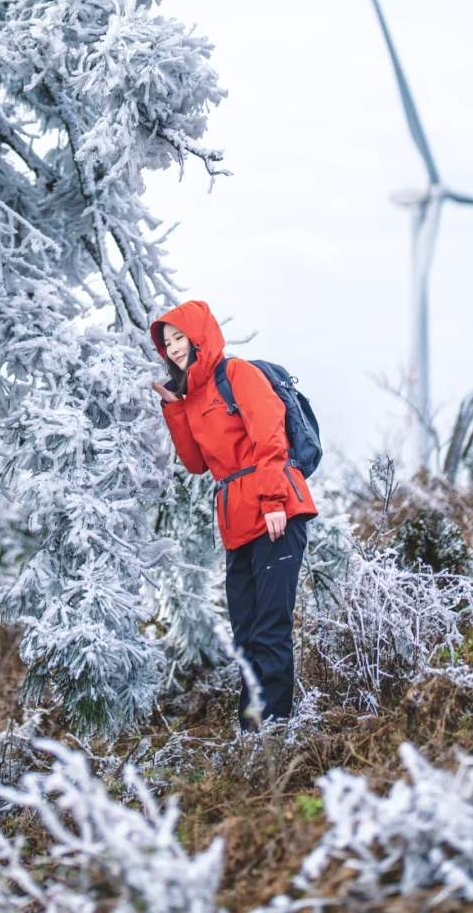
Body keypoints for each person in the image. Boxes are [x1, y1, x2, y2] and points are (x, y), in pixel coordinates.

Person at [150, 299, 317, 727]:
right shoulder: (194, 397)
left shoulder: (237, 374)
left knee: (270, 628)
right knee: (245, 636)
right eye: (166, 343)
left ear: (198, 335)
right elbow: (196, 463)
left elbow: (270, 436)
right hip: (237, 524)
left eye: (179, 338)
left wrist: (275, 502)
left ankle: (275, 732)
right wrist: (174, 407)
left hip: (276, 511)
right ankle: (252, 734)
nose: (173, 348)